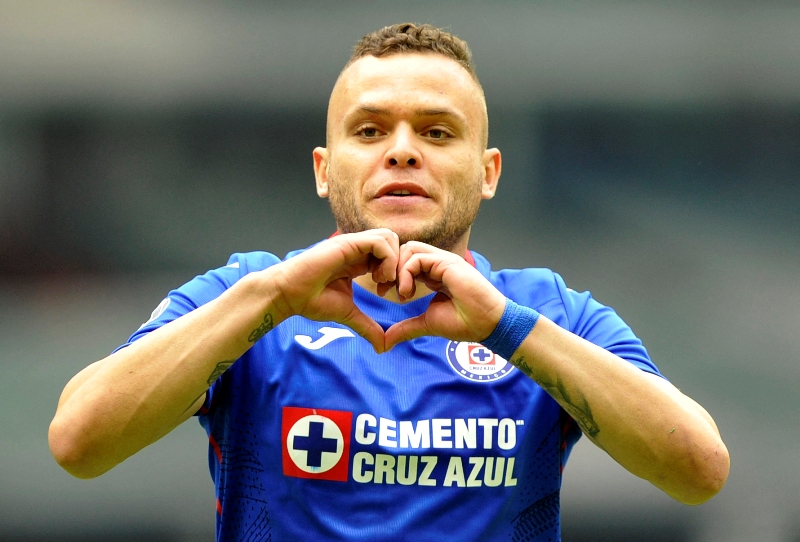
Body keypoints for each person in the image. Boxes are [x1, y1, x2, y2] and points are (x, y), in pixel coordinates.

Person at [49, 23, 729, 541]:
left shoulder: (546, 311)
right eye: (371, 130)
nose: (402, 150)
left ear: (488, 172)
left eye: (437, 132)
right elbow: (78, 442)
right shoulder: (248, 296)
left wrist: (508, 329)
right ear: (324, 169)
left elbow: (699, 471)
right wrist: (273, 299)